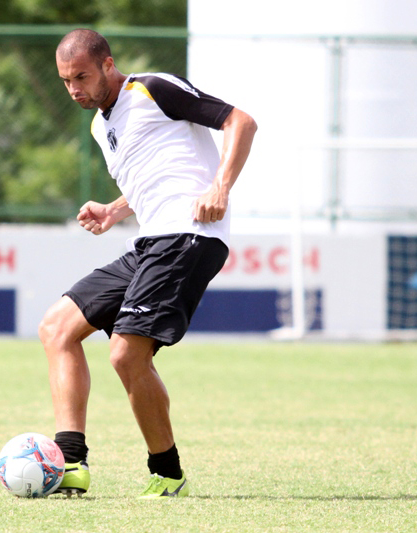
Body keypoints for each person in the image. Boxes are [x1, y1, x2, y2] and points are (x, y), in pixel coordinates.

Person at [39, 29, 257, 499]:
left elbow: (241, 121)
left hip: (191, 237)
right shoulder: (101, 125)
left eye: (82, 76)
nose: (74, 88)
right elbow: (157, 174)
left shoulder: (152, 89)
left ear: (108, 65)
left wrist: (220, 187)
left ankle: (167, 472)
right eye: (65, 81)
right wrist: (115, 210)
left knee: (125, 353)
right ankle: (70, 464)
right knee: (57, 328)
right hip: (151, 241)